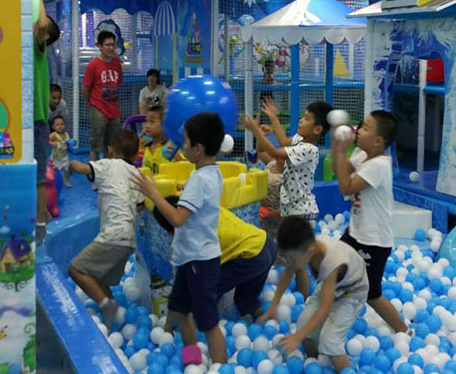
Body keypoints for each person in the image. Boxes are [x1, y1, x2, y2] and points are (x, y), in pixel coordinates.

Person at [131, 113, 227, 365]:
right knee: (181, 311)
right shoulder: (212, 172)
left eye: (185, 142)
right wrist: (187, 193)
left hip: (199, 261)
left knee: (209, 322)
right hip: (190, 259)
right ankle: (193, 361)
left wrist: (153, 193)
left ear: (199, 147)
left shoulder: (199, 179)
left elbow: (177, 218)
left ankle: (222, 372)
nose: (182, 147)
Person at [242, 98, 332, 297]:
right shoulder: (300, 140)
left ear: (317, 129)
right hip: (293, 209)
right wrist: (274, 118)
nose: (300, 120)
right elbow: (282, 141)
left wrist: (255, 130)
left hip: (302, 211)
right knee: (295, 261)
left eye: (306, 119)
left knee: (299, 262)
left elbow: (275, 151)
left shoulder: (309, 149)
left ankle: (309, 295)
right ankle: (308, 292)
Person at [332, 110, 411, 335]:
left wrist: (340, 149)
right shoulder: (362, 154)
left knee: (372, 294)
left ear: (378, 141)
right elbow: (341, 169)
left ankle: (404, 331)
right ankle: (334, 315)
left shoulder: (379, 165)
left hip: (373, 242)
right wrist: (337, 142)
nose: (358, 130)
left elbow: (346, 187)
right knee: (333, 269)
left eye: (365, 128)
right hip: (355, 233)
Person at [258, 216, 368, 373]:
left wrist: (296, 337)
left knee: (330, 341)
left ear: (309, 252)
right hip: (332, 285)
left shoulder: (332, 262)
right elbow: (288, 271)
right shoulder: (308, 248)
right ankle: (316, 362)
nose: (290, 261)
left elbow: (324, 309)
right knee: (304, 326)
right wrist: (273, 306)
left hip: (353, 291)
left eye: (292, 257)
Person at [151, 195, 277, 331]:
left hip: (252, 257)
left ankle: (206, 331)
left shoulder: (191, 238)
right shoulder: (206, 207)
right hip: (266, 244)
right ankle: (269, 324)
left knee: (205, 292)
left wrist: (168, 325)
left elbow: (181, 286)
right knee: (246, 300)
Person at [67, 129, 142, 329]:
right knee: (98, 278)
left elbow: (83, 168)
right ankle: (113, 323)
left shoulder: (107, 164)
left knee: (75, 269)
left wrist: (70, 163)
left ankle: (107, 306)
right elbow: (140, 206)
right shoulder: (137, 175)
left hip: (113, 235)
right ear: (136, 155)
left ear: (110, 150)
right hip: (129, 239)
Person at [34, 0, 60, 243]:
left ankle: (40, 226)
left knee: (39, 178)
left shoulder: (39, 47)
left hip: (37, 122)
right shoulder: (31, 49)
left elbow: (41, 24)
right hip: (30, 120)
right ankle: (38, 215)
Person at [83, 30, 124, 162]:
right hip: (98, 108)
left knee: (112, 145)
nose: (111, 48)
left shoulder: (117, 63)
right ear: (99, 46)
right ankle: (93, 170)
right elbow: (85, 88)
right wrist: (92, 104)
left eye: (113, 44)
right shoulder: (93, 65)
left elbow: (118, 84)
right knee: (95, 145)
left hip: (114, 110)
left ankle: (107, 169)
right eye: (107, 45)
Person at [140, 106, 184, 172]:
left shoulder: (172, 146)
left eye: (152, 121)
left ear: (164, 124)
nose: (147, 125)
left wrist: (177, 158)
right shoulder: (146, 148)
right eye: (146, 121)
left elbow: (186, 167)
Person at [49, 115, 72, 185]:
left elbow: (68, 143)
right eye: (57, 125)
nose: (60, 126)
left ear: (64, 125)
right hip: (56, 158)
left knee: (67, 169)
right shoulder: (53, 135)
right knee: (54, 170)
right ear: (53, 127)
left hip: (65, 156)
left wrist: (71, 143)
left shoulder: (66, 134)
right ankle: (53, 180)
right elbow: (47, 141)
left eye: (62, 124)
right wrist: (53, 143)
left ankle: (66, 180)